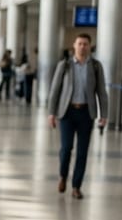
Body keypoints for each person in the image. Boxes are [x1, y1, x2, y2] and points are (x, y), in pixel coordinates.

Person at [46, 34, 108, 199]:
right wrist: (51, 113)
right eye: (79, 44)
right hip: (67, 112)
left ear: (90, 46)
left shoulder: (95, 66)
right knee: (66, 149)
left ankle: (76, 186)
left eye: (85, 44)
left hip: (86, 113)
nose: (82, 47)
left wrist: (104, 114)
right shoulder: (65, 65)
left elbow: (101, 91)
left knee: (82, 152)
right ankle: (63, 176)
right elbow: (55, 90)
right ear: (74, 45)